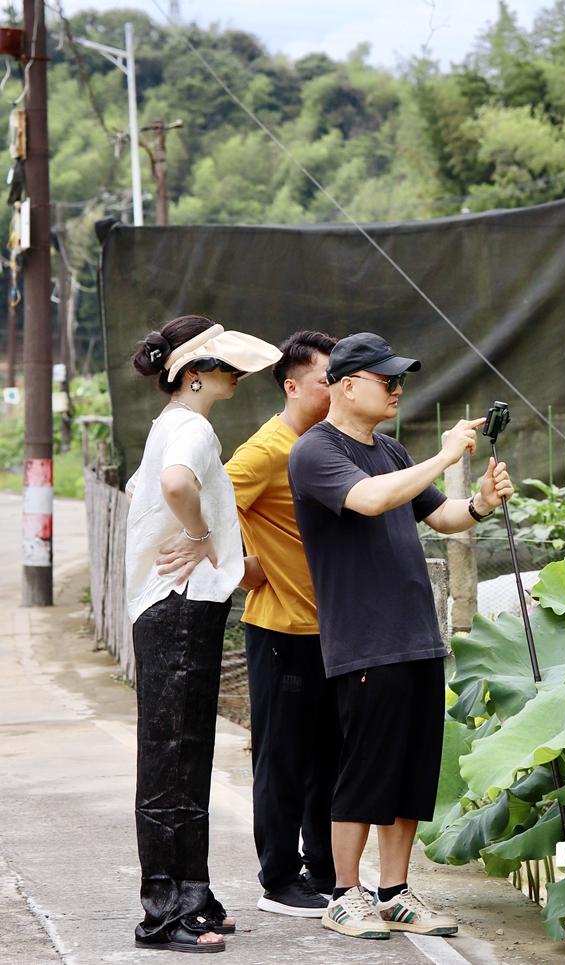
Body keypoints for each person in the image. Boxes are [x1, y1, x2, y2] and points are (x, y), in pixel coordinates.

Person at [288, 331, 514, 941]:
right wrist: (443, 458)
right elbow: (366, 501)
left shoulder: (388, 450)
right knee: (364, 770)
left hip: (417, 635)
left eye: (399, 380)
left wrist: (482, 503)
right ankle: (344, 893)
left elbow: (442, 516)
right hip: (365, 640)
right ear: (347, 385)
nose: (397, 389)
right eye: (387, 380)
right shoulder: (314, 453)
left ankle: (395, 892)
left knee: (412, 773)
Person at [126, 315, 281, 953]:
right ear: (193, 375)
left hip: (181, 605)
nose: (236, 375)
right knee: (172, 760)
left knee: (188, 756)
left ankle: (194, 897)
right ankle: (163, 912)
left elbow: (152, 492)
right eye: (224, 366)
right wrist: (196, 536)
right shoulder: (191, 427)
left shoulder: (172, 425)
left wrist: (218, 553)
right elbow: (171, 486)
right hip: (177, 606)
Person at [224, 330, 341, 918]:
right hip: (280, 633)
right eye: (328, 379)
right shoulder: (267, 450)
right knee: (282, 759)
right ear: (293, 386)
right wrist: (237, 565)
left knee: (329, 758)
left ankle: (325, 870)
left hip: (333, 631)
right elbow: (202, 497)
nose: (339, 387)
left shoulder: (332, 446)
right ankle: (278, 877)